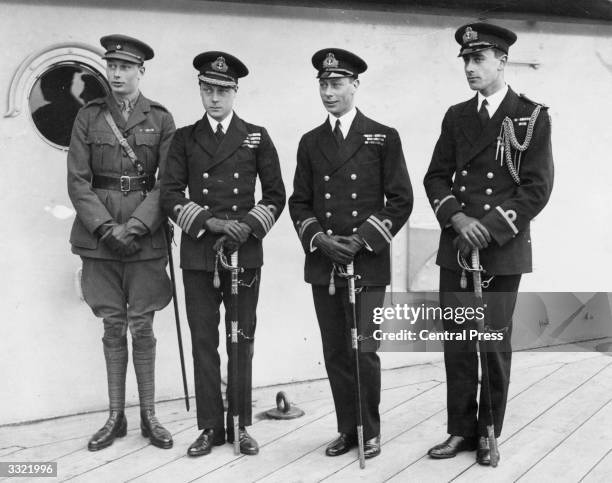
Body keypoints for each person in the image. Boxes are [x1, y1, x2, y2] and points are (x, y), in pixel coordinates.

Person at [423, 23, 554, 465]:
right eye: (466, 60)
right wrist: (458, 218)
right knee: (459, 341)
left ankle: (488, 432)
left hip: (502, 246)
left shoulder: (531, 116)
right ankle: (460, 430)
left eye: (479, 59)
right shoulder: (456, 116)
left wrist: (492, 226)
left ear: (502, 61)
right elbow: (435, 177)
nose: (470, 68)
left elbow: (537, 187)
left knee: (493, 343)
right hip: (458, 246)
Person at [288, 48, 413, 459]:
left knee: (364, 350)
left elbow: (400, 200)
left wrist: (361, 240)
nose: (329, 92)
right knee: (336, 351)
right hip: (325, 263)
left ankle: (369, 430)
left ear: (354, 86)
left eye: (337, 83)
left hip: (367, 261)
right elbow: (299, 202)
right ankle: (347, 429)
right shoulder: (310, 142)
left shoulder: (382, 136)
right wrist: (320, 239)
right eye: (323, 84)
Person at [160, 51, 285, 457]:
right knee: (203, 341)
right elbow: (171, 193)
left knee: (241, 339)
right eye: (207, 90)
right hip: (200, 252)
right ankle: (211, 426)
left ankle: (241, 424)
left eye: (222, 91)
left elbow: (276, 194)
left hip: (244, 252)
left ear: (235, 92)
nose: (214, 98)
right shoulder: (183, 138)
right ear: (199, 89)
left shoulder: (257, 136)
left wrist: (246, 226)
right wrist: (211, 223)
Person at [67, 34, 175, 451]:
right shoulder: (88, 116)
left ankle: (149, 414)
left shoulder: (162, 119)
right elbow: (78, 180)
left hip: (144, 239)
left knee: (142, 324)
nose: (116, 73)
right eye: (112, 65)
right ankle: (116, 416)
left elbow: (169, 182)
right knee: (113, 325)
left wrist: (136, 227)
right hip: (99, 239)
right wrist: (107, 229)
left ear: (140, 71)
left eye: (125, 67)